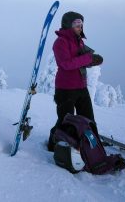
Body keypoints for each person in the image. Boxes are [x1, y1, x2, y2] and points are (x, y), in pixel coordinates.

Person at [47, 11, 103, 151]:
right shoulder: (60, 42)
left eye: (81, 24)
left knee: (88, 119)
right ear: (67, 25)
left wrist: (91, 61)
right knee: (65, 121)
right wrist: (88, 58)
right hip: (65, 89)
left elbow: (80, 61)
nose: (80, 27)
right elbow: (65, 64)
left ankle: (92, 148)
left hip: (81, 87)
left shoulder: (79, 41)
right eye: (76, 24)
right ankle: (54, 144)